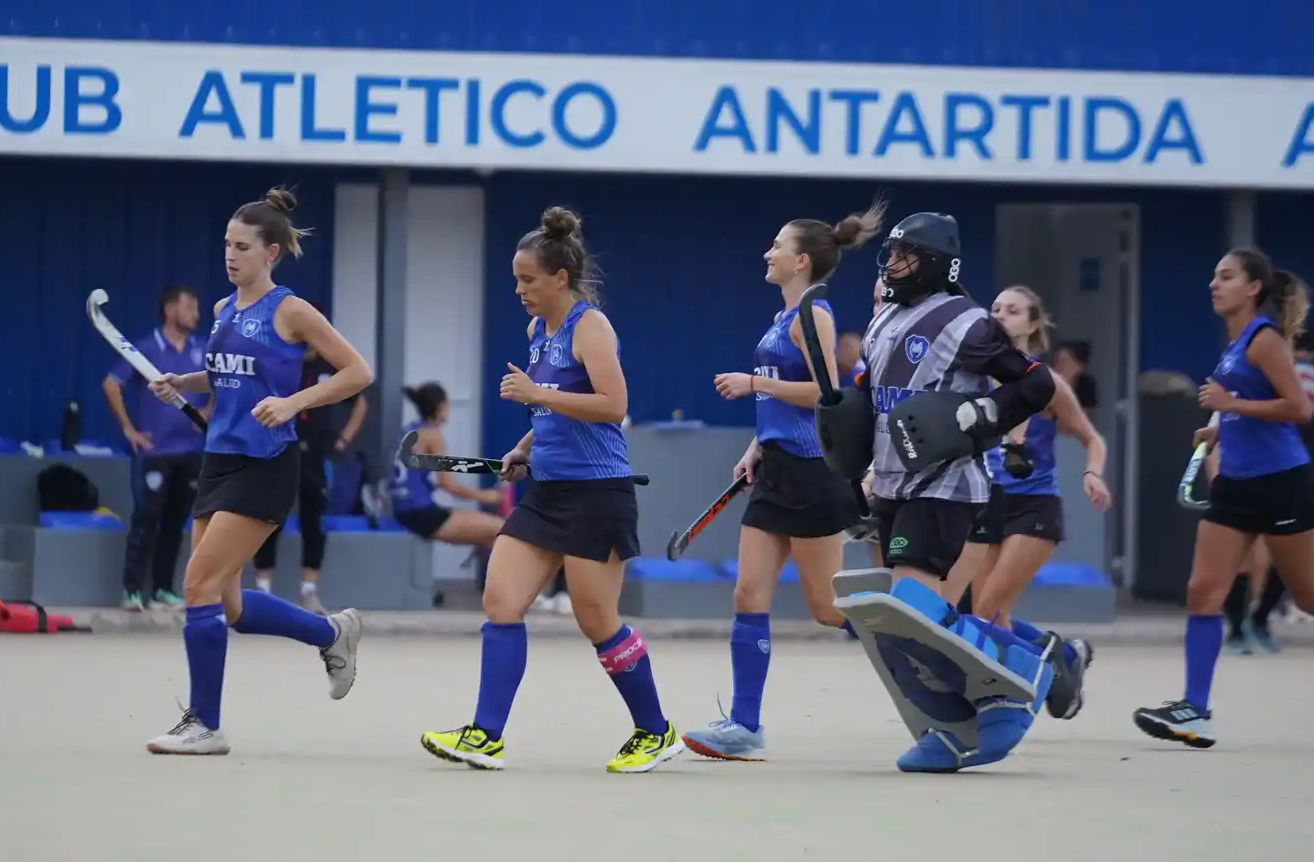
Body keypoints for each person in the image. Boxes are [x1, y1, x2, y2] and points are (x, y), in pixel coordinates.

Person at [419, 206, 682, 773]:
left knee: (597, 621)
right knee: (501, 600)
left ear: (559, 278)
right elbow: (552, 413)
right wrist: (524, 447)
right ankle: (485, 735)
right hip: (546, 493)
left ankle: (655, 731)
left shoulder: (592, 327)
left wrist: (538, 392)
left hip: (598, 494)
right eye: (516, 279)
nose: (519, 290)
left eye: (528, 280)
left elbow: (614, 406)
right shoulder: (538, 330)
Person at [819, 211, 1066, 773]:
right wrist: (854, 454)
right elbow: (870, 394)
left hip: (948, 482)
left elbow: (1036, 383)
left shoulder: (969, 322)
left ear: (934, 264)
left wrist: (982, 416)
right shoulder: (884, 320)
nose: (893, 264)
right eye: (892, 254)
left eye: (905, 255)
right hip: (893, 480)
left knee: (909, 610)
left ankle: (1020, 672)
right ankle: (957, 724)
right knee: (896, 623)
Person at [142, 187, 373, 756]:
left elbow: (357, 372)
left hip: (266, 464)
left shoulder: (290, 311)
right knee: (229, 604)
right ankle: (331, 633)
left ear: (271, 253)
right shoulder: (224, 312)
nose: (230, 255)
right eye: (226, 244)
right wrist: (182, 383)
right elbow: (225, 377)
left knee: (195, 583)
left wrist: (296, 404)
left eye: (242, 246)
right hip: (218, 461)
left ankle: (206, 726)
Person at [681, 204, 882, 762]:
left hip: (814, 476)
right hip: (775, 470)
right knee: (748, 594)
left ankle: (920, 638)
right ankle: (746, 726)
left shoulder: (813, 314)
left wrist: (751, 384)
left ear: (800, 261)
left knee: (826, 608)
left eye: (777, 246)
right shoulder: (780, 319)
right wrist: (756, 445)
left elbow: (827, 393)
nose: (767, 253)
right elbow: (783, 397)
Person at [1133, 253, 1314, 749]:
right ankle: (1194, 710)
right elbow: (1241, 408)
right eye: (1214, 275)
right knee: (1202, 592)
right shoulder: (1234, 344)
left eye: (1227, 277)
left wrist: (1230, 406)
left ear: (1254, 287)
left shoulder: (1264, 340)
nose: (1214, 284)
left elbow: (1298, 408)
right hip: (1234, 483)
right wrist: (1218, 429)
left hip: (1281, 481)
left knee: (1307, 597)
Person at [949, 286, 1112, 720]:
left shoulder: (1047, 383)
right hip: (988, 505)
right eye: (996, 308)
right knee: (985, 617)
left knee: (986, 610)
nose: (1002, 315)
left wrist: (1092, 472)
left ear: (1033, 324)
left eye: (1014, 310)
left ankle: (1024, 693)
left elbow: (1091, 438)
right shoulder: (977, 380)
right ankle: (1061, 656)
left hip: (1035, 506)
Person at [102, 285, 209, 611]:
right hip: (156, 453)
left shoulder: (201, 348)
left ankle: (163, 589)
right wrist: (129, 429)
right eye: (189, 306)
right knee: (146, 518)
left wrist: (206, 413)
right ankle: (132, 590)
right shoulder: (146, 348)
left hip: (191, 451)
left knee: (177, 522)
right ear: (169, 310)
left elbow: (225, 383)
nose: (196, 313)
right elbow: (111, 384)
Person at [251, 345, 370, 611]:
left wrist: (343, 439)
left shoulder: (329, 367)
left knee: (313, 519)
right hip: (279, 449)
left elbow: (359, 401)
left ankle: (308, 589)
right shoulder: (279, 362)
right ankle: (264, 588)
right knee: (270, 517)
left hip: (315, 455)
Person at [390, 381, 508, 550]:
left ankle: (496, 576)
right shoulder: (432, 435)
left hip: (404, 510)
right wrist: (489, 497)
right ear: (440, 406)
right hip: (420, 513)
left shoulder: (408, 431)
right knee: (502, 529)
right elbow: (447, 484)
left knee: (489, 539)